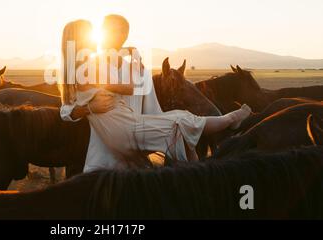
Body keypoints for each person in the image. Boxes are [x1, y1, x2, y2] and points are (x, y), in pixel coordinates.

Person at [59, 15, 251, 171]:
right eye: (112, 31)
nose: (119, 36)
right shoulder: (89, 68)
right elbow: (66, 108)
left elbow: (153, 111)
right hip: (103, 156)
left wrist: (175, 128)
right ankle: (224, 126)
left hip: (136, 153)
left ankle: (201, 163)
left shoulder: (140, 71)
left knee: (181, 123)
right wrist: (88, 108)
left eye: (123, 32)